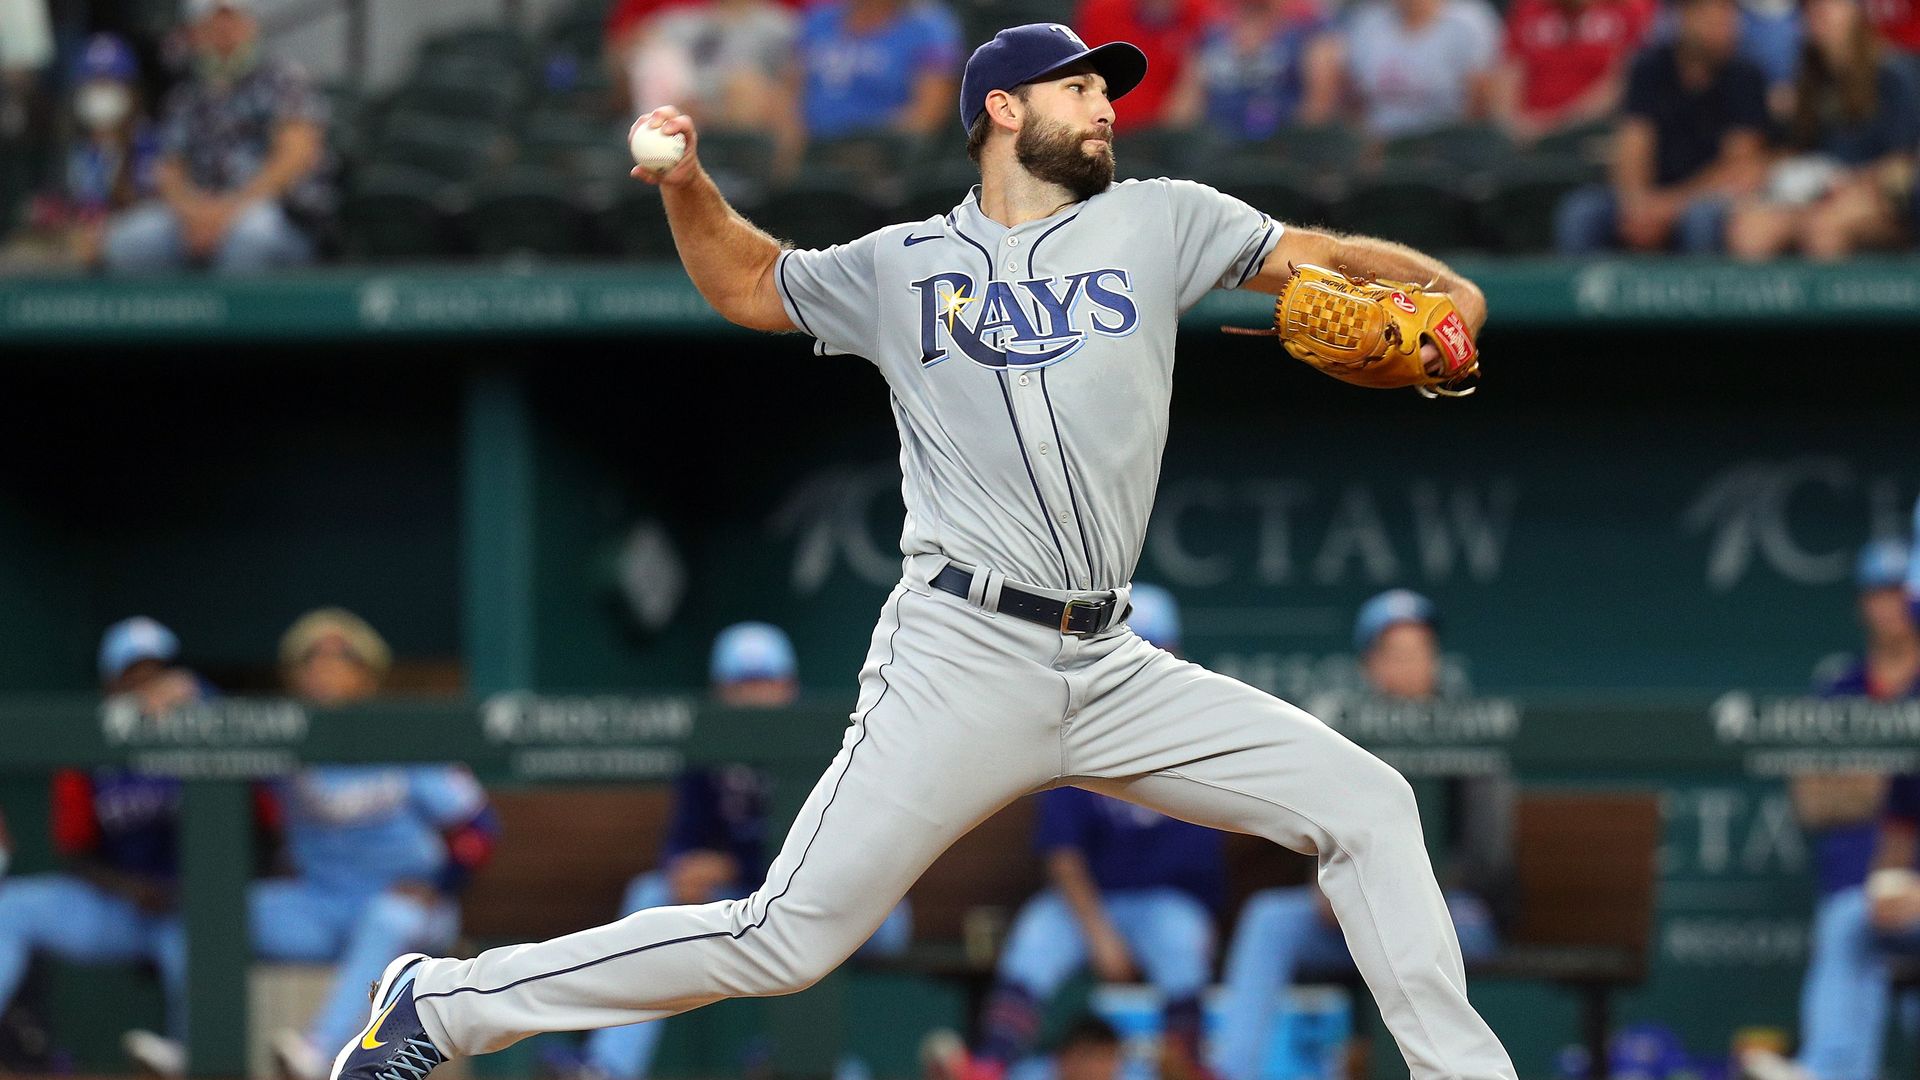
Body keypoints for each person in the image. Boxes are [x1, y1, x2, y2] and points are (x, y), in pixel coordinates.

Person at [326, 23, 1512, 1080]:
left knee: (1368, 801)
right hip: (961, 651)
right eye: (1081, 89)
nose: (1107, 108)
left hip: (1112, 660)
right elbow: (747, 282)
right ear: (1003, 108)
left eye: (1110, 93)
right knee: (784, 938)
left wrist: (1445, 290)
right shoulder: (900, 266)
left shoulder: (1165, 218)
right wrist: (687, 181)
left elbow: (1319, 253)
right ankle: (441, 1002)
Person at [555, 622, 911, 1080]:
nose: (755, 696)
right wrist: (684, 869)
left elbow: (832, 854)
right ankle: (606, 1067)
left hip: (846, 894)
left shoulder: (830, 741)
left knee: (830, 918)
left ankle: (806, 1062)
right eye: (742, 685)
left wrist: (730, 862)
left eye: (767, 682)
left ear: (790, 686)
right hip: (753, 891)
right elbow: (683, 840)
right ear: (720, 692)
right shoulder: (709, 743)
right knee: (652, 894)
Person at [1211, 590, 1504, 1080]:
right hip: (1356, 908)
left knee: (1442, 923)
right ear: (1372, 664)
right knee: (1270, 920)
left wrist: (1399, 893)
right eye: (1396, 653)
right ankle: (1233, 1071)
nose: (1409, 665)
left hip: (1454, 910)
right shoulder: (1346, 732)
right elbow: (1314, 820)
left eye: (1420, 652)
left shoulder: (1469, 728)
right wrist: (1326, 885)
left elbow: (1488, 856)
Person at [967, 586, 1222, 1080]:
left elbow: (1207, 852)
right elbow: (1062, 853)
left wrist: (1205, 916)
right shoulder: (1077, 728)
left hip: (1161, 904)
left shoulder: (1196, 736)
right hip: (1085, 904)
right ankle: (990, 1063)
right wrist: (1100, 933)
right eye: (1132, 651)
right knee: (1036, 937)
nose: (1142, 669)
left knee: (1182, 937)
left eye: (1157, 653)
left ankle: (1185, 1062)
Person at [255, 609, 499, 1080]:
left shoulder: (401, 737)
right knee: (221, 913)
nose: (324, 668)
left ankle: (317, 1053)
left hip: (408, 907)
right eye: (311, 658)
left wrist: (442, 886)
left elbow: (480, 826)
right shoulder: (282, 742)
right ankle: (188, 1051)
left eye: (342, 657)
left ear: (367, 676)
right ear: (293, 675)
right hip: (321, 905)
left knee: (390, 917)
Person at [1743, 541, 1920, 1080]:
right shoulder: (1841, 688)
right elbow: (1814, 798)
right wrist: (1888, 780)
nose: (1891, 607)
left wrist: (1867, 779)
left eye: (1900, 593)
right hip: (1861, 889)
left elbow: (1870, 795)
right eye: (1879, 594)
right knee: (1850, 927)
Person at [0, 620, 196, 1077]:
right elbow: (73, 852)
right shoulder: (90, 745)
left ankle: (192, 1056)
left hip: (188, 911)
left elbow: (264, 820)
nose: (148, 684)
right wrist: (128, 887)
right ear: (113, 683)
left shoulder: (209, 724)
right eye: (134, 673)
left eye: (158, 671)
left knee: (194, 945)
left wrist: (201, 697)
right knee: (11, 907)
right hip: (116, 908)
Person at [102, 0, 327, 274]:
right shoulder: (185, 92)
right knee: (128, 243)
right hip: (196, 213)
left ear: (250, 25)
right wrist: (192, 213)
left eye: (232, 21)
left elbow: (295, 156)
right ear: (196, 32)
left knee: (248, 240)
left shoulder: (282, 78)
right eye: (214, 24)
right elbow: (168, 168)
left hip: (272, 212)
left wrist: (227, 212)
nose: (224, 32)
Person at [1554, 0, 1768, 253]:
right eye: (1713, 18)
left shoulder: (1746, 76)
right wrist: (1636, 205)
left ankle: (1699, 292)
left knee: (1701, 218)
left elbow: (1738, 167)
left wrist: (1669, 207)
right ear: (1685, 18)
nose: (1725, 28)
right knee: (1582, 212)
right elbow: (1633, 145)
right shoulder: (1649, 68)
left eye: (1729, 18)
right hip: (1650, 195)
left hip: (1704, 199)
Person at [1724, 0, 1919, 261]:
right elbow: (1798, 152)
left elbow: (1902, 162)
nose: (1819, 14)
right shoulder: (1811, 80)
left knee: (1822, 228)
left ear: (1856, 12)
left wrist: (1846, 184)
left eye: (1829, 5)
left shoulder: (1894, 73)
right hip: (1820, 191)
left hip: (1882, 197)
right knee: (1749, 229)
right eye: (1810, 8)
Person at [615, 0, 803, 172]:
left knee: (745, 87)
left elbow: (789, 94)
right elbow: (630, 56)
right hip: (685, 109)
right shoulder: (678, 21)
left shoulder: (779, 26)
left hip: (749, 118)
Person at [44, 34, 161, 269]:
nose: (100, 92)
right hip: (75, 243)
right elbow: (53, 203)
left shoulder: (147, 140)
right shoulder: (69, 144)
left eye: (109, 83)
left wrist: (104, 234)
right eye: (94, 83)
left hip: (130, 244)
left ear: (130, 91)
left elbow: (152, 204)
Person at [1161, 0, 1343, 140]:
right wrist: (1174, 140)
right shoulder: (1213, 31)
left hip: (1281, 144)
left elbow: (1319, 103)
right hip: (1215, 143)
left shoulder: (1308, 29)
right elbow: (1187, 96)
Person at [796, 0, 962, 142]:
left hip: (881, 149)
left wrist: (863, 137)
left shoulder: (930, 29)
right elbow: (789, 92)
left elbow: (927, 116)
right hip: (809, 144)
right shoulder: (819, 21)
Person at [1494, 0, 1654, 142]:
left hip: (1589, 135)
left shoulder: (1628, 10)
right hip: (1524, 135)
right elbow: (1508, 74)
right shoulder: (1530, 9)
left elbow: (1619, 84)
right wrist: (1513, 126)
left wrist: (1552, 127)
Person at [1344, 0, 1503, 138]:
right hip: (1380, 142)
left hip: (1444, 144)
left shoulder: (1469, 21)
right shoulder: (1368, 22)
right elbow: (1354, 100)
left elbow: (1480, 105)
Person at [1075, 0, 1215, 130]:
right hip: (1110, 125)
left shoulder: (1201, 15)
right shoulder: (1101, 12)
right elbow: (1083, 75)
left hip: (1164, 131)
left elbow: (1188, 105)